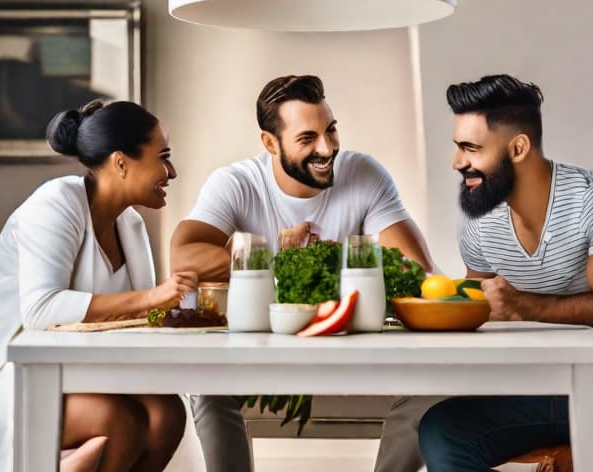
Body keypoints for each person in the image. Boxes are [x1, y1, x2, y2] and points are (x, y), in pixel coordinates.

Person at [170, 74, 441, 472]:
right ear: (269, 143)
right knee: (210, 387)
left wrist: (331, 258)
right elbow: (183, 259)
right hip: (262, 364)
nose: (327, 148)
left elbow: (417, 269)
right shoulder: (237, 183)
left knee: (433, 389)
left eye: (331, 130)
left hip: (355, 358)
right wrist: (272, 250)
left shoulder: (363, 173)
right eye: (307, 138)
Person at [417, 74, 593, 471]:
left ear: (518, 147)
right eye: (457, 146)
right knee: (440, 428)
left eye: (470, 148)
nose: (457, 162)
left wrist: (520, 307)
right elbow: (480, 314)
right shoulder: (480, 224)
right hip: (529, 390)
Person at [0, 100, 194, 472]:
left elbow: (142, 318)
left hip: (71, 370)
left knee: (168, 413)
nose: (171, 171)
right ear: (121, 162)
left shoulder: (131, 225)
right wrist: (152, 297)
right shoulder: (55, 203)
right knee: (119, 421)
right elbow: (41, 309)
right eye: (163, 156)